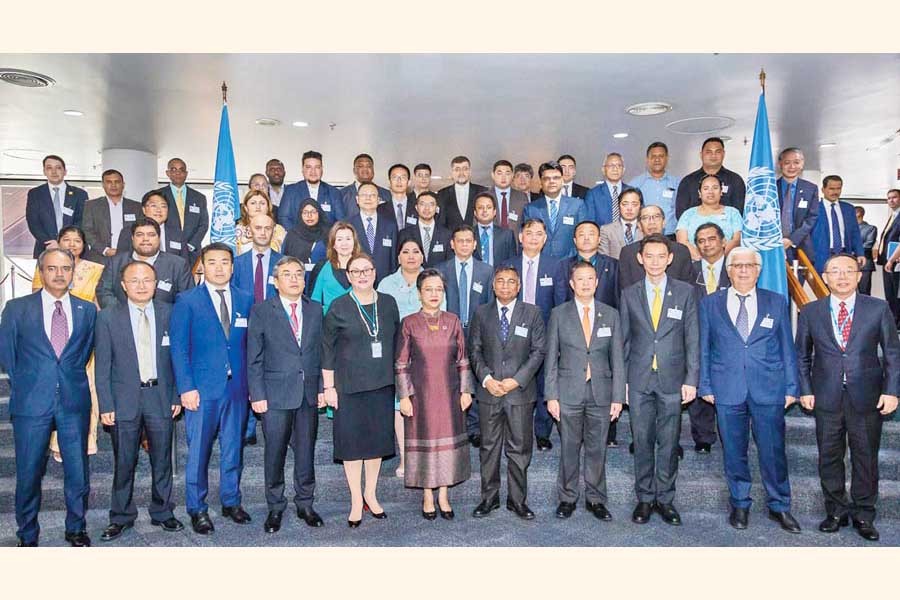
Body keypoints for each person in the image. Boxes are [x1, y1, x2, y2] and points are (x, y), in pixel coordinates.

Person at [796, 253, 899, 542]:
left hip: (867, 397)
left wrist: (892, 390)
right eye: (835, 271)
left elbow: (892, 353)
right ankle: (836, 511)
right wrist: (805, 389)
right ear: (825, 277)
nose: (842, 276)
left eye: (848, 271)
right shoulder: (810, 311)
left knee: (865, 457)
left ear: (859, 275)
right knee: (829, 457)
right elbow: (801, 356)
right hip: (825, 397)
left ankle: (864, 514)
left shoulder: (878, 309)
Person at [698, 247, 801, 533]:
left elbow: (787, 348)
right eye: (737, 265)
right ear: (728, 270)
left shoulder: (776, 302)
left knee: (773, 451)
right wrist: (705, 384)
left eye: (749, 265)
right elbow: (704, 348)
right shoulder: (710, 303)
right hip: (726, 388)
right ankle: (740, 503)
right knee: (733, 451)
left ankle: (779, 505)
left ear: (758, 269)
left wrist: (792, 386)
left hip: (769, 388)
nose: (743, 270)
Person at [0, 248, 97, 547]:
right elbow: (8, 355)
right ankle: (27, 533)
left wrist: (64, 377)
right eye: (52, 268)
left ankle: (76, 527)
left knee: (77, 471)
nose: (59, 274)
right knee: (28, 473)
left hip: (73, 401)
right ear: (41, 270)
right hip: (32, 402)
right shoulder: (17, 308)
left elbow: (83, 353)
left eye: (65, 268)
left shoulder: (87, 309)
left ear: (73, 272)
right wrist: (30, 383)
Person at [95, 261, 183, 542]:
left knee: (162, 460)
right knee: (124, 461)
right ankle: (120, 516)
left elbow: (178, 360)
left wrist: (176, 395)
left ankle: (162, 511)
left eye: (147, 280)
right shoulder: (108, 317)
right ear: (123, 285)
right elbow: (102, 366)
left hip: (160, 396)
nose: (142, 285)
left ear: (156, 283)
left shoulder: (170, 313)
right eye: (135, 280)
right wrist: (106, 404)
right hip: (124, 400)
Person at [170, 243, 254, 534]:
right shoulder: (187, 300)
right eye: (213, 262)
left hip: (238, 390)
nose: (219, 268)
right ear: (202, 266)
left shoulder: (246, 299)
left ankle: (231, 501)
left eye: (225, 262)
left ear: (233, 267)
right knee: (199, 453)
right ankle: (197, 508)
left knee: (233, 449)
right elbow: (179, 349)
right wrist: (186, 388)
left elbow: (249, 346)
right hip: (202, 391)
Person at [619, 234, 699, 526]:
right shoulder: (629, 293)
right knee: (641, 441)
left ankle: (665, 498)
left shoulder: (685, 292)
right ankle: (644, 497)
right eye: (648, 256)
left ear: (670, 258)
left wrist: (691, 378)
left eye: (660, 256)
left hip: (673, 380)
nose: (654, 261)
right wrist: (622, 383)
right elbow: (624, 342)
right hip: (638, 380)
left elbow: (692, 338)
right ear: (640, 259)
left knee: (668, 441)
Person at [247, 256, 326, 533]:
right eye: (287, 274)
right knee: (275, 453)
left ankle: (305, 503)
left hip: (307, 394)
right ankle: (275, 507)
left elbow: (320, 352)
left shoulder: (315, 310)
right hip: (274, 395)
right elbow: (254, 357)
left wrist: (322, 389)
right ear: (276, 281)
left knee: (306, 451)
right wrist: (257, 394)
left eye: (298, 274)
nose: (294, 279)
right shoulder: (261, 311)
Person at [322, 254, 401, 527]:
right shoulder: (338, 306)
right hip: (348, 388)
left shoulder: (389, 304)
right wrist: (329, 387)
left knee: (376, 443)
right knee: (353, 446)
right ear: (348, 276)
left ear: (375, 272)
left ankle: (371, 493)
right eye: (356, 271)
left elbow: (397, 344)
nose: (362, 275)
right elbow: (327, 350)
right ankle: (356, 499)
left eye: (367, 269)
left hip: (382, 386)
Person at [544, 261, 625, 520]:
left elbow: (618, 358)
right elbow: (551, 358)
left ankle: (596, 499)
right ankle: (567, 498)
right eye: (580, 279)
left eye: (590, 278)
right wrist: (551, 396)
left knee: (597, 448)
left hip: (601, 392)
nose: (586, 283)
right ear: (572, 284)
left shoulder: (610, 314)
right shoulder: (559, 314)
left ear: (597, 282)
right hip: (568, 393)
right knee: (568, 447)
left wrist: (617, 397)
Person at [468, 266, 546, 520]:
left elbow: (538, 352)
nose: (505, 286)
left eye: (510, 282)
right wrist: (487, 379)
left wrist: (516, 380)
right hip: (489, 392)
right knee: (489, 447)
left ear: (519, 286)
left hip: (519, 394)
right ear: (493, 285)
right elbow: (475, 351)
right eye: (500, 281)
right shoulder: (481, 313)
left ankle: (517, 500)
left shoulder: (532, 313)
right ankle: (489, 498)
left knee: (519, 449)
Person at [396, 268, 474, 520]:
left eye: (438, 289)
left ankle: (443, 495)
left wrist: (465, 390)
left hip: (450, 394)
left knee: (447, 443)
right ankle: (428, 495)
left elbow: (463, 359)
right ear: (419, 293)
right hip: (420, 396)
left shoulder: (453, 321)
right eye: (428, 289)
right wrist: (405, 396)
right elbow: (401, 363)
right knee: (426, 443)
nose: (433, 294)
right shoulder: (409, 323)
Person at [31, 226, 104, 463]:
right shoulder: (44, 269)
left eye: (77, 240)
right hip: (54, 338)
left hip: (84, 337)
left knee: (89, 389)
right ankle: (57, 443)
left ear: (84, 245)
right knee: (57, 391)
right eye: (67, 239)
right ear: (58, 242)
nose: (72, 244)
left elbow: (98, 305)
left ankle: (87, 440)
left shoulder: (96, 270)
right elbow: (37, 304)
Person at [500, 218, 566, 451]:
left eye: (539, 234)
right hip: (513, 333)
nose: (534, 238)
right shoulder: (508, 264)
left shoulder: (555, 266)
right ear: (521, 237)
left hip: (544, 333)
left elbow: (559, 304)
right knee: (514, 380)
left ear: (545, 239)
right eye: (530, 233)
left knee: (542, 382)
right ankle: (515, 429)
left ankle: (542, 432)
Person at [437, 224, 495, 447]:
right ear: (452, 244)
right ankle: (453, 425)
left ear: (474, 244)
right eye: (459, 240)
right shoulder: (440, 270)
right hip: (447, 332)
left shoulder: (486, 271)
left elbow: (490, 305)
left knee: (476, 377)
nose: (463, 244)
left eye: (468, 241)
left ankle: (474, 427)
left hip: (477, 331)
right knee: (449, 379)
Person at [378, 237, 428, 478]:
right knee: (401, 405)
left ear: (422, 256)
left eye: (416, 251)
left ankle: (426, 456)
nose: (411, 256)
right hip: (397, 353)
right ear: (398, 257)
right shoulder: (387, 284)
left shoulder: (431, 281)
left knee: (426, 404)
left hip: (429, 353)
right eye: (405, 252)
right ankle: (406, 459)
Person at [232, 213, 284, 445]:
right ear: (249, 230)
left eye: (267, 228)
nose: (263, 232)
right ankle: (248, 427)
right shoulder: (237, 263)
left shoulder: (284, 263)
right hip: (244, 327)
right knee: (246, 374)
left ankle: (275, 424)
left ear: (273, 231)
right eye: (258, 228)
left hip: (276, 330)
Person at [687, 223, 729, 453]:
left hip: (729, 338)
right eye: (701, 240)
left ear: (723, 241)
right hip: (698, 335)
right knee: (699, 381)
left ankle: (728, 434)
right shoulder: (690, 270)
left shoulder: (735, 269)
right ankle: (703, 437)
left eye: (711, 239)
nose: (706, 244)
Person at [97, 218, 194, 309]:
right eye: (139, 235)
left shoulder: (178, 265)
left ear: (159, 238)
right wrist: (125, 313)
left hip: (165, 323)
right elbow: (104, 292)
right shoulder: (115, 262)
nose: (145, 239)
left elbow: (186, 299)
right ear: (132, 238)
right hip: (121, 323)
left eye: (151, 235)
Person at [25, 154, 88, 258]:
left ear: (65, 171)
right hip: (45, 249)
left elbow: (81, 220)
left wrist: (65, 242)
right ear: (44, 171)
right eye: (49, 168)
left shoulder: (80, 194)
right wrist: (49, 242)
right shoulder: (35, 194)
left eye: (58, 168)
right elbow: (33, 222)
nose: (54, 172)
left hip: (74, 250)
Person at [619, 205, 694, 290]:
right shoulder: (628, 253)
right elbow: (625, 290)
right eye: (646, 218)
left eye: (656, 217)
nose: (652, 222)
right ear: (639, 225)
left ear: (664, 222)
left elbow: (686, 289)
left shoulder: (681, 251)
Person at [523, 161, 587, 258]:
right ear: (541, 182)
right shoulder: (531, 208)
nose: (551, 181)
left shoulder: (578, 205)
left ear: (562, 180)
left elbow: (582, 236)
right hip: (541, 263)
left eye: (556, 178)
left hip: (570, 262)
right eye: (547, 179)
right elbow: (527, 239)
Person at [675, 137, 747, 219]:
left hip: (726, 230)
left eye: (718, 152)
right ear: (701, 154)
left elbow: (739, 212)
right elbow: (681, 214)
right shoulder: (688, 181)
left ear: (723, 154)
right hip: (694, 230)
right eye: (709, 152)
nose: (713, 155)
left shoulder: (735, 180)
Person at [156, 157, 209, 266]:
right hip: (166, 249)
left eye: (181, 170)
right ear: (168, 173)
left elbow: (203, 224)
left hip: (192, 251)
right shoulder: (158, 195)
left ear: (186, 173)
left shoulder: (199, 197)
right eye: (174, 170)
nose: (178, 173)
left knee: (190, 282)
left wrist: (191, 245)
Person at [676, 174, 743, 260]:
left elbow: (737, 240)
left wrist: (718, 259)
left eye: (715, 188)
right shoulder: (688, 214)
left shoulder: (733, 213)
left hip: (726, 262)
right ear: (699, 193)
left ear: (721, 192)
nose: (710, 192)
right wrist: (701, 260)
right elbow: (682, 241)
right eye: (706, 188)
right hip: (694, 263)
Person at [81, 169, 142, 264]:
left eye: (117, 182)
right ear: (103, 185)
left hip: (129, 257)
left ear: (123, 185)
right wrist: (104, 250)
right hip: (99, 257)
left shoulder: (136, 207)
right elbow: (87, 231)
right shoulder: (91, 206)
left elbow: (139, 231)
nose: (113, 185)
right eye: (109, 182)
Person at [776, 148, 820, 270]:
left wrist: (791, 240)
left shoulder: (810, 189)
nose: (791, 166)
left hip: (801, 248)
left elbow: (812, 218)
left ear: (802, 164)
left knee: (797, 287)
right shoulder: (770, 188)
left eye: (796, 162)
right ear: (780, 164)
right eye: (787, 162)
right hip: (774, 247)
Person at [559, 220, 619, 308]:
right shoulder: (563, 266)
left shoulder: (614, 265)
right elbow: (560, 300)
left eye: (591, 234)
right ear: (575, 241)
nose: (586, 238)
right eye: (581, 235)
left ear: (599, 239)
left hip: (606, 319)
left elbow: (618, 298)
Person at [811, 175, 864, 273]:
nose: (835, 192)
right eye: (831, 189)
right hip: (821, 257)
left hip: (844, 255)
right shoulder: (814, 208)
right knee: (822, 287)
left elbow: (855, 234)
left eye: (838, 188)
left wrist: (860, 253)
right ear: (823, 189)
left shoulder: (849, 209)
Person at [350, 181, 398, 286]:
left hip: (385, 284)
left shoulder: (391, 226)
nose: (368, 198)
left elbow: (393, 260)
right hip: (358, 282)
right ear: (357, 200)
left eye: (372, 195)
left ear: (378, 200)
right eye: (364, 195)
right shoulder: (348, 225)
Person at [628, 142, 680, 237]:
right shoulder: (635, 184)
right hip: (643, 235)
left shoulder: (677, 183)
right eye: (653, 156)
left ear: (667, 158)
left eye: (661, 156)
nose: (657, 159)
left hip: (670, 235)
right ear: (647, 159)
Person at [278, 150, 343, 227]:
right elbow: (283, 218)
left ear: (322, 169)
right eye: (308, 167)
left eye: (317, 167)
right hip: (297, 237)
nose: (313, 171)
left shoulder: (334, 193)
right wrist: (296, 237)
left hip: (326, 238)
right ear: (302, 169)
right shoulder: (290, 191)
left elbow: (341, 222)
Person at [309, 221, 362, 313]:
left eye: (348, 239)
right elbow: (315, 300)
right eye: (339, 239)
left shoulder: (364, 268)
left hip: (358, 321)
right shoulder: (322, 267)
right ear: (333, 244)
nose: (344, 243)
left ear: (354, 242)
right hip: (329, 322)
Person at [117, 191, 187, 259]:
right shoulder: (129, 232)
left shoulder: (178, 234)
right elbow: (120, 261)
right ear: (144, 210)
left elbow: (184, 264)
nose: (158, 210)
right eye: (154, 205)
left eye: (163, 206)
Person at [398, 191, 452, 268]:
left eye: (431, 204)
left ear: (436, 208)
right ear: (416, 207)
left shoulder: (447, 234)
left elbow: (449, 264)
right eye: (422, 204)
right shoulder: (404, 234)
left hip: (438, 278)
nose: (427, 208)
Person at [281, 197, 329, 281]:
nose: (309, 216)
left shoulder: (328, 234)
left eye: (313, 212)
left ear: (319, 213)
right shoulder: (292, 235)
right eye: (305, 212)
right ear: (300, 214)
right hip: (296, 279)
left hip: (322, 278)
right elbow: (284, 260)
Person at [437, 155, 488, 230]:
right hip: (451, 239)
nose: (461, 173)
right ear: (452, 172)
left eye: (465, 169)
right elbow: (441, 222)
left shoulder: (483, 191)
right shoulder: (442, 194)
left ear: (470, 171)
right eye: (457, 169)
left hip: (477, 239)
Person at [583, 153, 633, 226]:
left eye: (619, 165)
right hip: (603, 236)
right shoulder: (593, 194)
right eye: (611, 165)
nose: (615, 169)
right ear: (603, 170)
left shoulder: (632, 192)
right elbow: (590, 224)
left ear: (623, 170)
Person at [338, 153, 392, 220]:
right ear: (354, 171)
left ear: (373, 170)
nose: (365, 169)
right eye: (360, 166)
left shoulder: (386, 194)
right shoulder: (341, 194)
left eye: (369, 166)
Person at [234, 189, 286, 255]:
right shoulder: (236, 230)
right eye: (253, 203)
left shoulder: (278, 230)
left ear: (268, 207)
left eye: (262, 203)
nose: (258, 207)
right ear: (246, 208)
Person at [472, 191, 517, 267]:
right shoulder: (468, 234)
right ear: (475, 213)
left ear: (494, 212)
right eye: (480, 208)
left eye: (489, 207)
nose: (485, 210)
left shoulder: (507, 235)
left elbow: (512, 261)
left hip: (499, 277)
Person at [876, 189, 900, 325]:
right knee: (889, 292)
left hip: (895, 260)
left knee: (896, 292)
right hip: (887, 260)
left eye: (894, 197)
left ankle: (896, 320)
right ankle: (892, 319)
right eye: (889, 198)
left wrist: (892, 259)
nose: (891, 200)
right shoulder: (893, 215)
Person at [599, 187, 644, 259]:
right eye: (625, 204)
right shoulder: (606, 230)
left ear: (641, 207)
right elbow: (605, 260)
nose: (629, 208)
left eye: (634, 204)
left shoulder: (645, 229)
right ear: (618, 206)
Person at [490, 159, 530, 234]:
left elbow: (527, 224)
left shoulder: (522, 197)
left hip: (515, 243)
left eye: (507, 174)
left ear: (512, 175)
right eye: (499, 173)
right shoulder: (484, 196)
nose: (503, 177)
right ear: (493, 175)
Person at [377, 163, 418, 231]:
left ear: (409, 182)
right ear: (389, 182)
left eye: (403, 177)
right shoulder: (379, 209)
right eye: (395, 177)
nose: (399, 181)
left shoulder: (417, 208)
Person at [856, 206, 877, 295]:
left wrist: (852, 251)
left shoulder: (871, 228)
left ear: (858, 214)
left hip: (865, 265)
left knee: (864, 292)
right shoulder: (848, 229)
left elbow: (868, 245)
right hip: (849, 265)